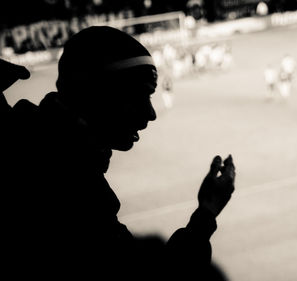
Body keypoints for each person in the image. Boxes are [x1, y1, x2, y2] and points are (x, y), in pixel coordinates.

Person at [0, 26, 235, 280]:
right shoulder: (70, 187)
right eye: (140, 96)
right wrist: (206, 215)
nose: (151, 113)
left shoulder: (24, 139)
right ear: (100, 95)